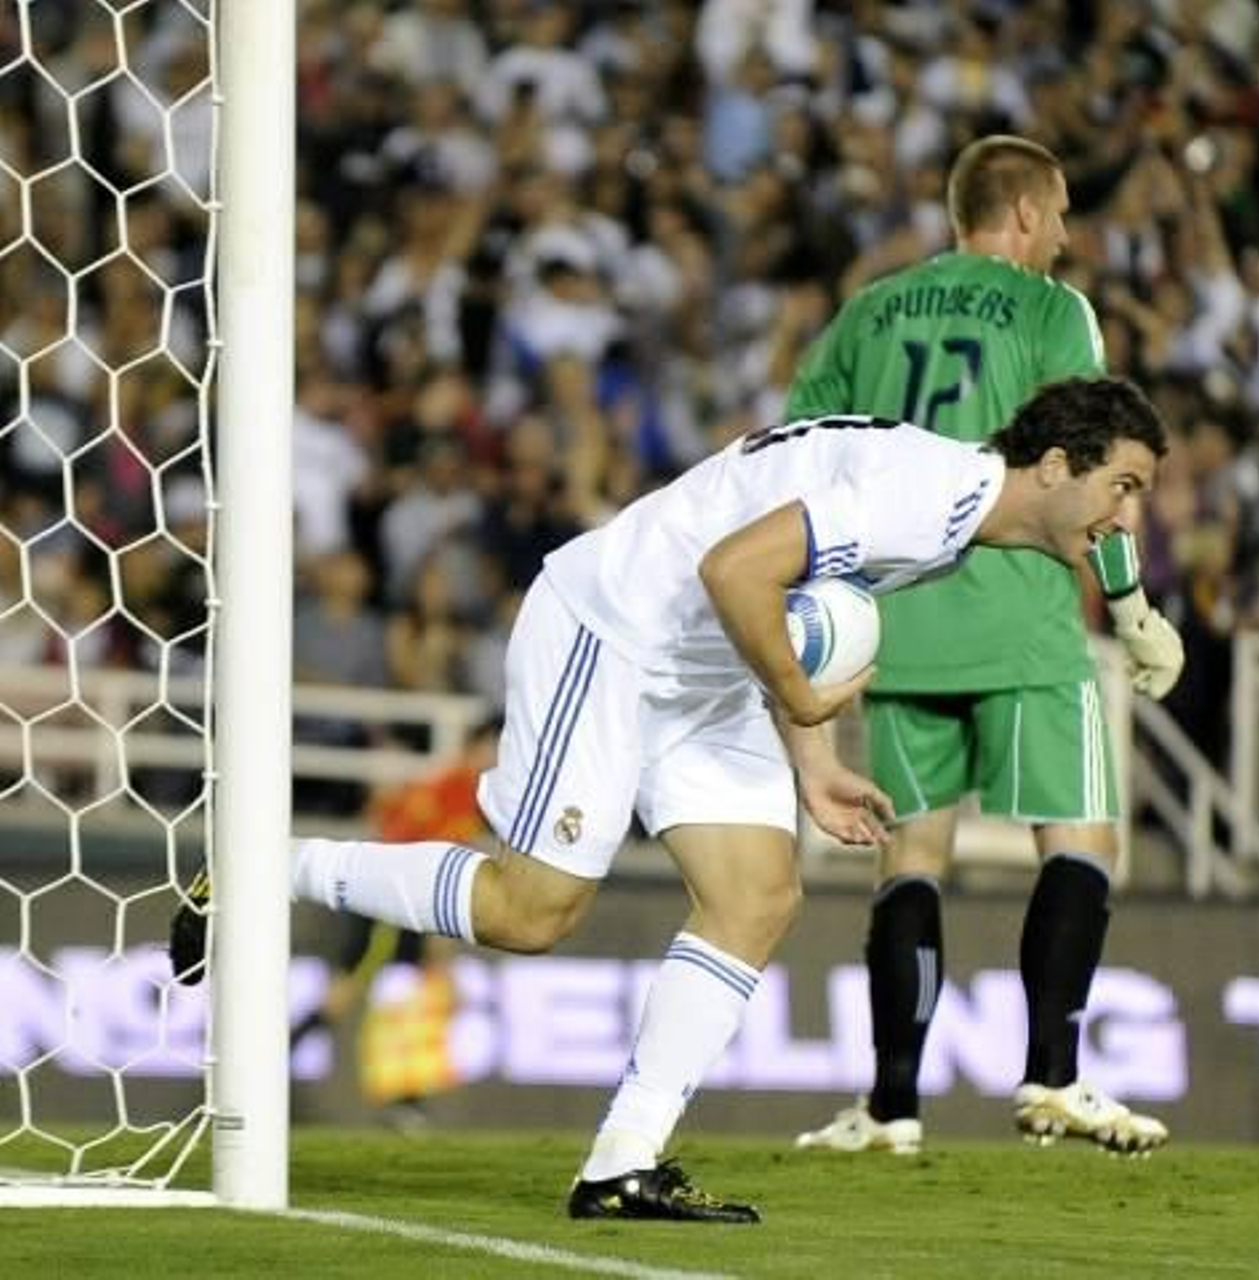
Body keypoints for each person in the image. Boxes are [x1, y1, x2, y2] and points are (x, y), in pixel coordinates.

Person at [172, 375, 1169, 1223]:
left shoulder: (946, 505)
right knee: (531, 911)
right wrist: (796, 695)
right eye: (1121, 485)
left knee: (756, 895)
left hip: (703, 664)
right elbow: (733, 567)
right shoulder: (930, 494)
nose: (1128, 518)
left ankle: (619, 1162)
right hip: (613, 633)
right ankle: (266, 864)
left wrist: (811, 759)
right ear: (1051, 465)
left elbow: (775, 588)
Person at [786, 135, 1180, 1160]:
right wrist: (1132, 608)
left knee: (911, 859)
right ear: (1018, 215)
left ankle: (890, 1105)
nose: (1064, 235)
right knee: (1082, 838)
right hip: (1021, 608)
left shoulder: (868, 309)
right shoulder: (1056, 311)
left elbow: (800, 449)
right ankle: (1051, 1076)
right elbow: (1095, 467)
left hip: (898, 618)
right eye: (1055, 216)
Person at [289, 715, 503, 1129]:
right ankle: (401, 1099)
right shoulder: (460, 788)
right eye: (496, 745)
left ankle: (406, 1099)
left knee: (392, 993)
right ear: (478, 744)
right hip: (397, 901)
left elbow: (389, 818)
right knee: (379, 992)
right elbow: (439, 855)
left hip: (388, 891)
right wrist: (439, 934)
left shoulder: (442, 784)